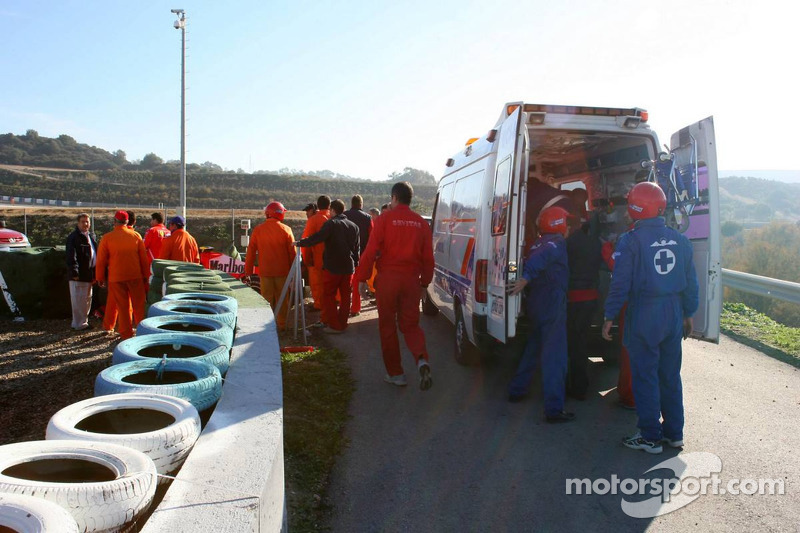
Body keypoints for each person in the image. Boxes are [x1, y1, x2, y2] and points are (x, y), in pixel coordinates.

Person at [602, 182, 699, 454]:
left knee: (645, 376)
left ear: (634, 209)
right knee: (670, 375)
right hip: (673, 313)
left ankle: (649, 437)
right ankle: (674, 434)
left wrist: (610, 315)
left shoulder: (630, 241)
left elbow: (620, 284)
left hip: (645, 313)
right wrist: (688, 313)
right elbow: (691, 283)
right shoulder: (680, 240)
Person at [357, 182, 434, 391]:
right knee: (411, 325)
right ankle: (421, 360)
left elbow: (370, 251)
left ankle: (396, 374)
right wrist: (424, 283)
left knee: (388, 327)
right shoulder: (421, 223)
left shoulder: (384, 220)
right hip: (411, 281)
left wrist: (362, 278)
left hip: (388, 280)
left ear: (394, 198)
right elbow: (428, 259)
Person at [507, 206, 574, 422]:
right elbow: (542, 259)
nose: (569, 227)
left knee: (533, 348)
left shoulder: (537, 243)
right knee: (555, 356)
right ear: (559, 225)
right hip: (552, 303)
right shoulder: (556, 243)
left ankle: (517, 390)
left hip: (536, 303)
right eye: (567, 222)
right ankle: (554, 410)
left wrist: (527, 278)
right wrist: (526, 277)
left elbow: (535, 259)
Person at [295, 199, 359, 334]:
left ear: (333, 210)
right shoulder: (354, 226)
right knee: (346, 296)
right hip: (348, 268)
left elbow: (317, 238)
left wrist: (300, 243)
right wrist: (356, 265)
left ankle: (334, 325)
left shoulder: (331, 224)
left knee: (328, 295)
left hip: (333, 267)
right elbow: (356, 250)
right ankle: (342, 323)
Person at [565, 189, 602, 400]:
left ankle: (577, 387)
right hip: (591, 299)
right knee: (581, 341)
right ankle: (581, 384)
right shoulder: (595, 243)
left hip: (574, 299)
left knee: (573, 343)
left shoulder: (568, 245)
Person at [96, 210, 149, 340]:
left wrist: (100, 277)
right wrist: (146, 276)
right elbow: (144, 259)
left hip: (116, 278)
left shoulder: (107, 238)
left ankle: (126, 335)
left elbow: (101, 260)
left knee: (123, 307)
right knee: (139, 305)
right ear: (127, 222)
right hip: (135, 276)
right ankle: (143, 332)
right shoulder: (136, 236)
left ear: (115, 221)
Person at [244, 202, 296, 329]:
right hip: (283, 273)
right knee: (283, 300)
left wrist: (248, 272)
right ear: (280, 213)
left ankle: (266, 327)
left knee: (266, 299)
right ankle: (282, 325)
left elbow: (250, 252)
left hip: (265, 272)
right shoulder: (286, 230)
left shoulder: (258, 230)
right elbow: (293, 254)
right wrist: (294, 272)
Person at [65, 213, 97, 331]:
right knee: (78, 300)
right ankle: (79, 324)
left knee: (86, 300)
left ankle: (83, 322)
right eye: (83, 222)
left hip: (88, 274)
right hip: (79, 275)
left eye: (87, 222)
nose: (86, 224)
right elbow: (70, 255)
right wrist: (74, 272)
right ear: (78, 223)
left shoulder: (91, 237)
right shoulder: (73, 237)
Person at [301, 195, 331, 321]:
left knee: (316, 283)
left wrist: (306, 260)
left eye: (308, 211)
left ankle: (319, 305)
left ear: (315, 208)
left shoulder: (314, 220)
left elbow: (305, 242)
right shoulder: (331, 216)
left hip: (316, 259)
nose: (307, 214)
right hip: (331, 259)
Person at [344, 194, 373, 316]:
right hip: (361, 254)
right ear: (361, 204)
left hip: (345, 253)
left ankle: (343, 308)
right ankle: (355, 308)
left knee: (344, 282)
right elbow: (372, 237)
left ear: (352, 203)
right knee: (357, 282)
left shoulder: (344, 215)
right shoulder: (367, 218)